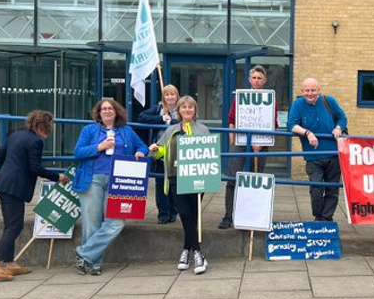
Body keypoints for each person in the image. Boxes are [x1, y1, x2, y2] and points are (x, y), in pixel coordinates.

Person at [0, 110, 69, 280]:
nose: (50, 130)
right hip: (14, 188)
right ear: (41, 126)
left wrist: (8, 171)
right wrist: (57, 177)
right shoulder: (36, 142)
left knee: (10, 225)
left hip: (3, 184)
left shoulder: (15, 135)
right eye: (49, 126)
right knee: (15, 226)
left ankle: (10, 263)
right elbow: (36, 168)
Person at [72, 99, 148, 276]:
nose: (106, 111)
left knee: (117, 222)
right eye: (103, 109)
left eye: (110, 109)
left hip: (119, 181)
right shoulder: (89, 130)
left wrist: (140, 152)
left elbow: (142, 145)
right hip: (93, 179)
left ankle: (84, 253)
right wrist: (99, 147)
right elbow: (78, 152)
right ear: (99, 113)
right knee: (92, 223)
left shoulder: (126, 130)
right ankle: (93, 264)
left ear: (116, 112)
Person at [149, 96, 211, 274]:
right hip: (176, 177)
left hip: (197, 178)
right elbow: (161, 152)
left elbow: (209, 153)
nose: (187, 110)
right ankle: (198, 252)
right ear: (179, 110)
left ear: (195, 110)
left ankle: (186, 250)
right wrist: (156, 150)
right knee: (184, 213)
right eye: (184, 107)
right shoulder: (172, 130)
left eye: (190, 107)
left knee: (193, 214)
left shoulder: (203, 129)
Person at [219, 65, 278, 229]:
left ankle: (251, 215)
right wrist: (233, 141)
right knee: (232, 179)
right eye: (254, 78)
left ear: (265, 80)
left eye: (260, 78)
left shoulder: (270, 98)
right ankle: (228, 215)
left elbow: (273, 124)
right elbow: (231, 119)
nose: (257, 81)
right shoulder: (240, 97)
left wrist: (262, 142)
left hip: (261, 145)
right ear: (249, 79)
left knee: (255, 180)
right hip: (240, 143)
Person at [287, 78, 348, 222]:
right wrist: (307, 133)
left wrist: (338, 127)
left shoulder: (329, 101)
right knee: (316, 188)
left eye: (313, 90)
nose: (310, 93)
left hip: (333, 154)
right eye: (307, 90)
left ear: (318, 90)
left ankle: (326, 218)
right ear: (302, 91)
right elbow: (291, 124)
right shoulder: (298, 104)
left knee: (332, 189)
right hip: (313, 156)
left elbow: (342, 117)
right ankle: (318, 215)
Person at [138, 84, 180, 224]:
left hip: (176, 150)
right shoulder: (158, 108)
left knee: (174, 183)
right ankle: (163, 213)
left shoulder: (182, 108)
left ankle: (173, 212)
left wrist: (171, 121)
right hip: (159, 149)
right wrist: (161, 119)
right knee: (160, 182)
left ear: (177, 95)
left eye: (172, 94)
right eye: (167, 94)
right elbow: (142, 117)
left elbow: (185, 122)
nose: (170, 97)